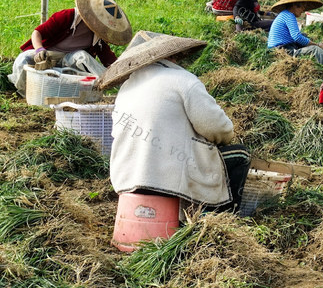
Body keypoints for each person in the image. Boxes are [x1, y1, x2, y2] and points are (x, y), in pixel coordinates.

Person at [104, 31, 251, 214]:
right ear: (170, 57)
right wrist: (218, 141)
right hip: (169, 184)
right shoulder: (184, 81)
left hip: (125, 181)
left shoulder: (125, 89)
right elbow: (219, 129)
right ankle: (220, 217)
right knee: (240, 155)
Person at [10, 0, 133, 94]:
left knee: (83, 56)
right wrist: (39, 49)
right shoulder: (67, 16)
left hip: (70, 61)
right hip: (48, 53)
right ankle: (25, 91)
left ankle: (108, 86)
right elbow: (37, 33)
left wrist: (123, 73)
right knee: (24, 59)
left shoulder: (99, 36)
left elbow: (109, 61)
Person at [267, 0, 323, 67]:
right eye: (302, 7)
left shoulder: (285, 14)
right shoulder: (289, 16)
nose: (303, 10)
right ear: (294, 6)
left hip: (281, 46)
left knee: (304, 35)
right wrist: (316, 45)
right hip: (283, 50)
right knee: (315, 50)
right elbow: (297, 37)